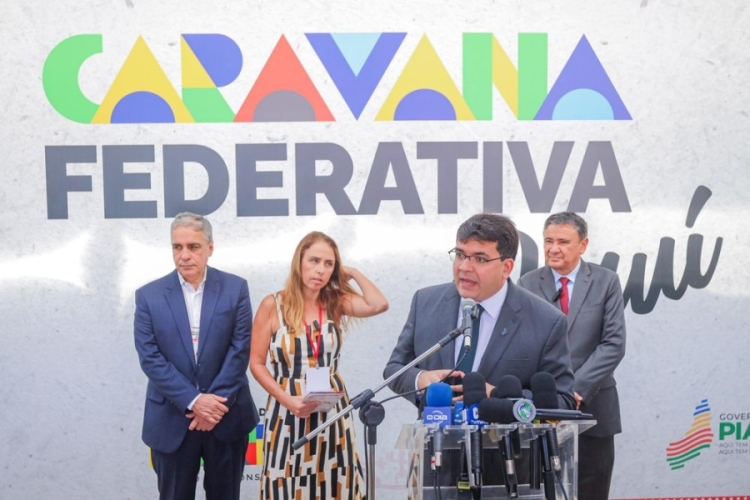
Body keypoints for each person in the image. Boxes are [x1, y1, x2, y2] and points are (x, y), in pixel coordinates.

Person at [384, 213, 575, 409]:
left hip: (503, 438)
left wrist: (497, 394)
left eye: (480, 259)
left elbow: (563, 400)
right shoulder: (425, 302)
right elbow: (394, 369)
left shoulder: (546, 321)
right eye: (460, 255)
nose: (464, 267)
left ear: (506, 268)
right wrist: (420, 379)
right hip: (437, 437)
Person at [249, 231, 389, 500]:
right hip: (287, 411)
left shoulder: (334, 302)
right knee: (285, 483)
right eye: (314, 261)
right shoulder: (273, 305)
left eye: (329, 264)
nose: (320, 270)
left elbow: (378, 304)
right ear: (299, 261)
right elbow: (256, 363)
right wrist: (288, 401)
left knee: (335, 481)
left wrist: (354, 273)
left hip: (331, 410)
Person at [134, 212, 259, 500]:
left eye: (193, 246)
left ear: (210, 248)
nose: (184, 255)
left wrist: (212, 406)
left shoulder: (235, 288)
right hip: (173, 419)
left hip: (225, 418)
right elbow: (150, 357)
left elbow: (240, 349)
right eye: (177, 247)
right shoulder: (148, 296)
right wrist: (194, 401)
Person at [518, 211, 626, 500]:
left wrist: (576, 387)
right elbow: (521, 343)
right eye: (549, 241)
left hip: (594, 406)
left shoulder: (606, 281)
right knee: (540, 492)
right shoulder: (527, 284)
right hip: (542, 408)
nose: (554, 248)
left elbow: (613, 343)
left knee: (593, 491)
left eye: (563, 242)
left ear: (583, 244)